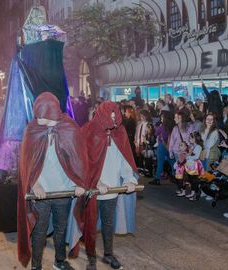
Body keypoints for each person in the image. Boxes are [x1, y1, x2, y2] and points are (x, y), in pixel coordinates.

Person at [17, 93, 88, 270]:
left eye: (41, 114)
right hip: (42, 192)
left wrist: (78, 183)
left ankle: (59, 261)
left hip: (63, 190)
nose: (37, 118)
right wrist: (34, 184)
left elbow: (78, 157)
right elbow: (26, 162)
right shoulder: (32, 129)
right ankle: (36, 265)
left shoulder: (69, 127)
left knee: (60, 227)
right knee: (39, 231)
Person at [82, 101, 138, 270]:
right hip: (93, 190)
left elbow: (124, 159)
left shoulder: (119, 132)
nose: (114, 120)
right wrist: (95, 182)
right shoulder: (88, 130)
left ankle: (108, 254)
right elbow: (82, 161)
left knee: (108, 223)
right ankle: (91, 257)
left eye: (116, 116)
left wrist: (129, 179)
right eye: (111, 116)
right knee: (89, 224)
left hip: (112, 189)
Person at [150, 111, 175, 185]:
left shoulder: (162, 127)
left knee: (160, 162)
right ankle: (175, 175)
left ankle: (157, 178)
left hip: (162, 145)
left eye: (162, 117)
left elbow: (155, 133)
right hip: (170, 145)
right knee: (172, 161)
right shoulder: (173, 126)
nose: (161, 118)